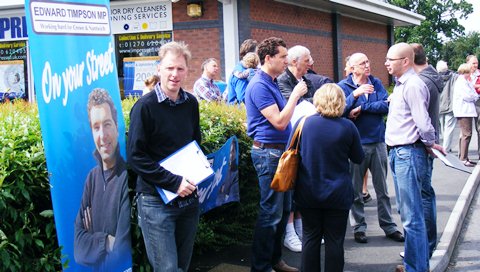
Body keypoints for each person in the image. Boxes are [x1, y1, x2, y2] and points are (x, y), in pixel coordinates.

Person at [127, 41, 201, 272]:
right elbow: (135, 156)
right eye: (169, 68)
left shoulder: (191, 103)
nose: (174, 74)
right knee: (167, 269)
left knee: (182, 266)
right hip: (155, 202)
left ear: (187, 71)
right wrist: (174, 182)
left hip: (188, 199)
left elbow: (196, 144)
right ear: (159, 69)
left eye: (180, 68)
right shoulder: (144, 107)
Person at [245, 37, 307, 272]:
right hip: (268, 155)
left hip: (279, 154)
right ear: (268, 58)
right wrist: (295, 96)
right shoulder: (260, 85)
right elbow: (280, 122)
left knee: (282, 212)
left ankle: (274, 261)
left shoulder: (269, 81)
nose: (287, 60)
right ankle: (261, 266)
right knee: (271, 213)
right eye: (282, 57)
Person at [384, 42, 444, 272]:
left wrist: (429, 143)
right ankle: (413, 264)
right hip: (401, 153)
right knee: (408, 214)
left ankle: (417, 268)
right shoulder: (402, 85)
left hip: (408, 153)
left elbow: (423, 122)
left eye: (391, 59)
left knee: (412, 217)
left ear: (406, 61)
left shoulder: (413, 85)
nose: (387, 63)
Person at [294, 83, 364, 272]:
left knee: (310, 238)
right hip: (338, 193)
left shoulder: (304, 123)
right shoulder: (348, 127)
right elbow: (358, 158)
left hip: (308, 191)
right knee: (335, 241)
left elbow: (291, 153)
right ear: (341, 101)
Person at [337, 52, 404, 244]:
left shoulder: (376, 82)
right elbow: (340, 110)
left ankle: (388, 226)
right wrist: (355, 95)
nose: (367, 65)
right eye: (362, 63)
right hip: (355, 143)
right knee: (356, 189)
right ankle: (359, 227)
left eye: (367, 61)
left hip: (378, 141)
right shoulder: (343, 87)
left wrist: (363, 108)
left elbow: (386, 105)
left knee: (382, 189)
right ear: (352, 68)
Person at [74, 88, 131, 272]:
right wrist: (106, 240)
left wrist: (92, 239)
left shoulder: (127, 177)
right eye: (96, 127)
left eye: (107, 124)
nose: (102, 135)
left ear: (116, 125)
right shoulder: (91, 179)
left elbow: (122, 251)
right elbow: (78, 250)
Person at [277, 45, 317, 253]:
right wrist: (299, 97)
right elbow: (293, 106)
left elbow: (313, 102)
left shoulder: (306, 81)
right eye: (308, 59)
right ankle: (289, 231)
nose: (311, 62)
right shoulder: (282, 81)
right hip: (289, 142)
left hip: (305, 140)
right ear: (295, 61)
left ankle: (301, 227)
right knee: (290, 188)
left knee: (301, 186)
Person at [411, 43, 444, 258]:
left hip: (421, 146)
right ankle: (426, 244)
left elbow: (422, 121)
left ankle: (425, 246)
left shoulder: (420, 82)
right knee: (425, 194)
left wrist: (429, 142)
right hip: (427, 144)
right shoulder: (432, 78)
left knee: (422, 196)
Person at [452, 63, 478, 166]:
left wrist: (474, 96)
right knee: (467, 134)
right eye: (468, 72)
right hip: (464, 110)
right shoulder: (461, 82)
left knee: (465, 134)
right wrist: (474, 96)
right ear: (464, 72)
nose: (470, 74)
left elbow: (473, 94)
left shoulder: (464, 81)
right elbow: (468, 96)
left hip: (466, 110)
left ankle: (464, 156)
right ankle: (463, 158)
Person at [227, 39, 258, 104]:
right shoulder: (240, 72)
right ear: (251, 55)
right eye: (257, 52)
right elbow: (242, 98)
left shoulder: (249, 69)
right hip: (239, 111)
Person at [437, 60, 458, 153]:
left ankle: (446, 147)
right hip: (451, 105)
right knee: (449, 128)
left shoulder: (435, 77)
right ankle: (446, 148)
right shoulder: (454, 77)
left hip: (439, 105)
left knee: (443, 128)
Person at [466, 55, 480, 159]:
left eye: (476, 63)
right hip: (466, 104)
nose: (475, 65)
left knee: (479, 128)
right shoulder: (463, 74)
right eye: (473, 63)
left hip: (478, 103)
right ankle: (463, 155)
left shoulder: (479, 74)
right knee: (466, 131)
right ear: (468, 63)